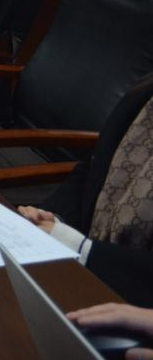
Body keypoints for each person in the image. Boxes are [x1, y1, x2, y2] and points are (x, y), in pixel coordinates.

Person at [18, 76, 153, 307]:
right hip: (80, 271)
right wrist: (51, 218)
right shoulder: (143, 95)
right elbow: (91, 171)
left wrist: (80, 247)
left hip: (130, 301)